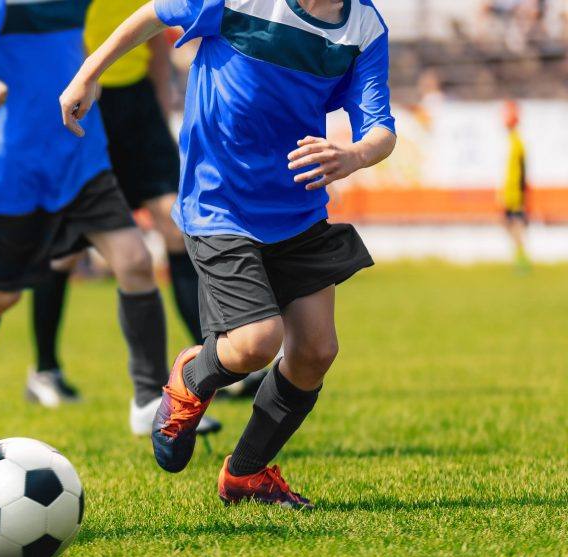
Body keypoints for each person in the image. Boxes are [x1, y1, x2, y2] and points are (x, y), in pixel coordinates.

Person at [62, 0, 396, 509]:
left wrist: (353, 155)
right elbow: (154, 14)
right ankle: (189, 377)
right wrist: (88, 74)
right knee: (258, 341)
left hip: (298, 208)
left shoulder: (364, 27)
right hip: (219, 201)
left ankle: (246, 473)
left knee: (315, 352)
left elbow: (381, 129)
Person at [0, 0, 219, 451]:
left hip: (81, 158)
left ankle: (145, 400)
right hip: (13, 172)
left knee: (135, 261)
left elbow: (127, 35)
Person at [22, 0, 204, 408]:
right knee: (64, 250)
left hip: (137, 106)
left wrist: (159, 118)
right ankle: (45, 370)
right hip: (81, 100)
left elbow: (156, 42)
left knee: (176, 226)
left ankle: (211, 360)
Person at [499, 100, 530, 272]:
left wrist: (521, 194)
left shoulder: (516, 142)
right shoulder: (512, 141)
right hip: (511, 193)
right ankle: (519, 257)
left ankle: (522, 259)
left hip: (515, 194)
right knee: (511, 226)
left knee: (515, 227)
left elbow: (522, 172)